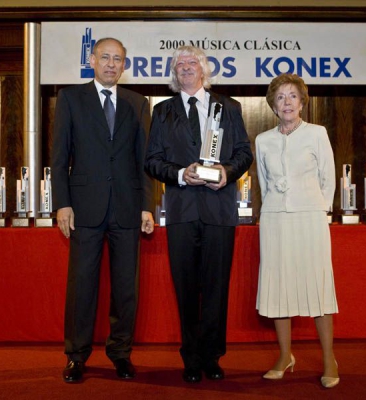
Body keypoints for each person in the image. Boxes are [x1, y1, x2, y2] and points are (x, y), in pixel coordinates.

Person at [145, 45, 253, 383]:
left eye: (192, 63)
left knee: (217, 286)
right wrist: (180, 174)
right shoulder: (162, 111)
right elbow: (152, 160)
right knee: (187, 287)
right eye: (180, 65)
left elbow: (243, 153)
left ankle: (213, 356)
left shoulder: (229, 107)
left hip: (219, 210)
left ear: (204, 69)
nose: (186, 68)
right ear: (174, 74)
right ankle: (191, 358)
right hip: (181, 210)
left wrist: (227, 172)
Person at [51, 37, 155, 383]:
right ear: (92, 60)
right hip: (84, 208)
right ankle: (76, 356)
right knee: (82, 286)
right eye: (105, 57)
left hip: (127, 209)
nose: (111, 64)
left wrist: (146, 206)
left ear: (125, 66)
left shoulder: (138, 103)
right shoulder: (70, 98)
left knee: (126, 288)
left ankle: (121, 353)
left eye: (118, 59)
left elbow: (144, 162)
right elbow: (59, 158)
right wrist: (63, 203)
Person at [255, 73, 339, 388]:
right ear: (273, 105)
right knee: (279, 287)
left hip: (311, 218)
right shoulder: (263, 140)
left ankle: (329, 358)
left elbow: (327, 178)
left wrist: (322, 213)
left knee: (317, 285)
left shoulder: (318, 133)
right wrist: (270, 211)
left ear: (302, 102)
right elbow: (263, 183)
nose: (287, 102)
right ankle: (285, 355)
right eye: (280, 97)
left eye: (292, 96)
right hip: (275, 219)